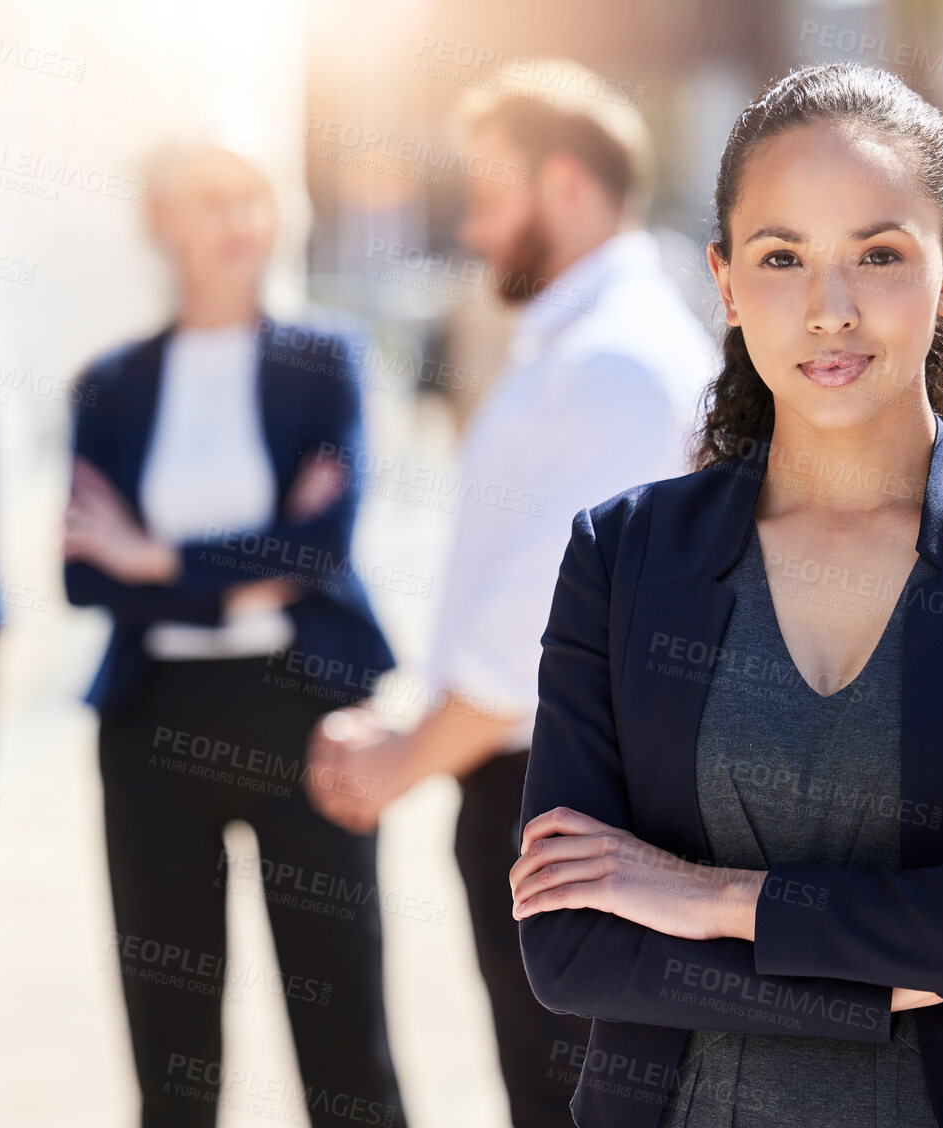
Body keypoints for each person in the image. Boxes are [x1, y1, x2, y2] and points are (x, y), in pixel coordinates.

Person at [510, 63, 943, 1128]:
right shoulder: (622, 555)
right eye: (782, 257)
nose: (830, 309)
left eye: (876, 253)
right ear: (725, 284)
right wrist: (938, 945)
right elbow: (571, 946)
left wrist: (705, 897)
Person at [304, 62, 717, 1126]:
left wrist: (397, 759)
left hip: (569, 803)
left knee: (573, 1105)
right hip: (545, 795)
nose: (476, 229)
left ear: (565, 186)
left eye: (490, 196)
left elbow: (532, 634)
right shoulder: (585, 348)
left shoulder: (616, 364)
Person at [63, 141, 405, 1128]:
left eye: (255, 197)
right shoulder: (112, 383)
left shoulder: (322, 359)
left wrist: (158, 560)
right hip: (152, 723)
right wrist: (241, 572)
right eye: (211, 199)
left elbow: (317, 549)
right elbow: (85, 571)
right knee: (170, 1041)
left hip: (304, 709)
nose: (239, 219)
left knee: (343, 1023)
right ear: (160, 218)